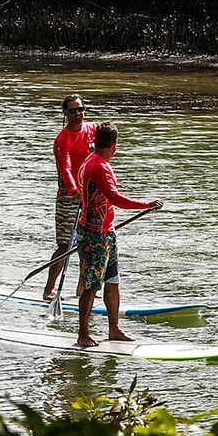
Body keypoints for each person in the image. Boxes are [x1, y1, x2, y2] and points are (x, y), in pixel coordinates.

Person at [72, 122, 162, 348]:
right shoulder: (98, 166)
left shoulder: (92, 160)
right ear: (114, 145)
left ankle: (114, 329)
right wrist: (145, 204)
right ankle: (83, 333)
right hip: (94, 236)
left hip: (106, 232)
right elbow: (115, 198)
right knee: (92, 284)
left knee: (112, 282)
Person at [42, 94, 95, 303]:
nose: (78, 114)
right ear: (65, 113)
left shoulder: (93, 129)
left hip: (91, 195)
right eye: (72, 111)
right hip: (68, 197)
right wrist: (75, 191)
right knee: (66, 245)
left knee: (90, 243)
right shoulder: (62, 140)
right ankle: (49, 289)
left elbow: (110, 139)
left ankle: (83, 289)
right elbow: (64, 169)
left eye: (80, 109)